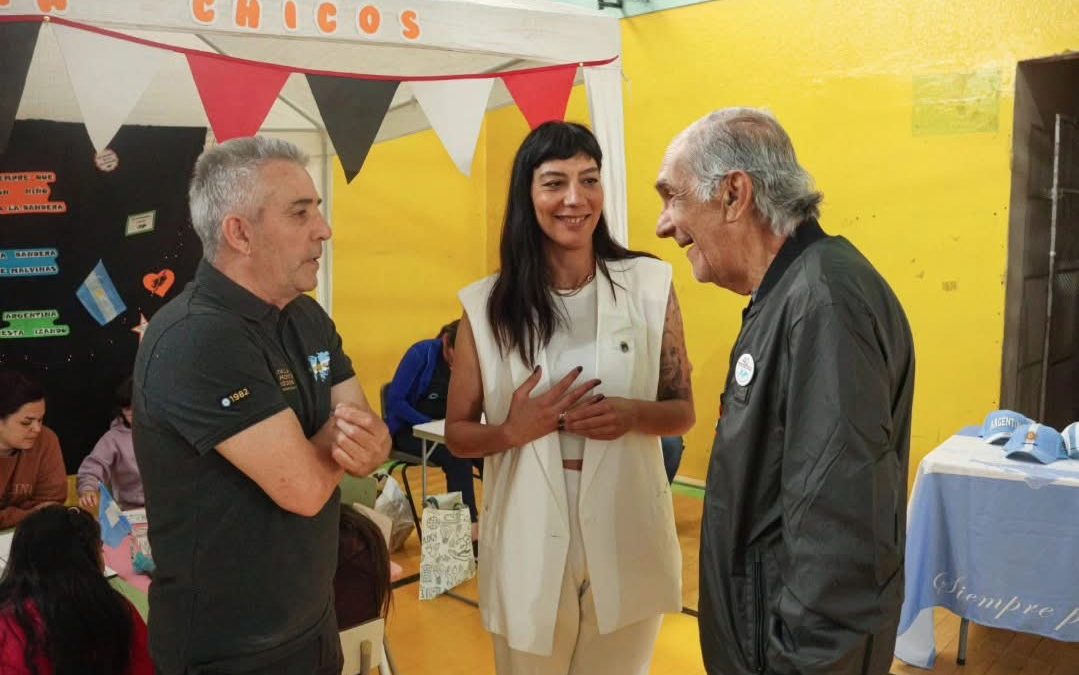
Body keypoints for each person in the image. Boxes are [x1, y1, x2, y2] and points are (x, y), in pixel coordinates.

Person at [655, 108, 915, 675]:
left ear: (733, 195)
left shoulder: (824, 304)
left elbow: (838, 548)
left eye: (672, 196)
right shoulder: (792, 295)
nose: (664, 224)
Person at [133, 136, 391, 675]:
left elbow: (371, 433)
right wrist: (337, 444)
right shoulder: (194, 337)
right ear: (240, 233)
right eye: (301, 213)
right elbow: (300, 488)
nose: (324, 229)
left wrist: (357, 447)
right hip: (228, 651)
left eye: (317, 210)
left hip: (314, 621)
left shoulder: (306, 316)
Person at [446, 121, 695, 675]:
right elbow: (459, 434)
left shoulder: (648, 285)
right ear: (526, 196)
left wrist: (630, 413)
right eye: (554, 183)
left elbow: (683, 410)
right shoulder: (487, 306)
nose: (574, 199)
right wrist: (512, 430)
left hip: (628, 519)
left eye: (589, 179)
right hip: (526, 528)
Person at [0, 504, 154, 675]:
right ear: (89, 559)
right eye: (100, 546)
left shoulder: (10, 622)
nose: (103, 552)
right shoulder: (114, 611)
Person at [385, 320, 482, 523]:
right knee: (457, 455)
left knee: (488, 453)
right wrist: (427, 423)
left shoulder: (469, 359)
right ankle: (466, 527)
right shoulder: (420, 354)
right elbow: (394, 401)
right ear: (447, 342)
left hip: (444, 429)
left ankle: (498, 521)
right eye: (456, 359)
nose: (459, 366)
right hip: (409, 431)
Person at [0, 369, 67, 530]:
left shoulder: (46, 440)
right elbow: (40, 511)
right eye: (26, 422)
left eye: (40, 419)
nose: (37, 429)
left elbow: (52, 505)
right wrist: (29, 512)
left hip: (32, 535)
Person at [77, 376, 143, 510]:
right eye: (127, 409)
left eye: (137, 408)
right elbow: (92, 469)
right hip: (131, 511)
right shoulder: (112, 439)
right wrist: (88, 489)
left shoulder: (165, 433)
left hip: (168, 509)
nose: (132, 414)